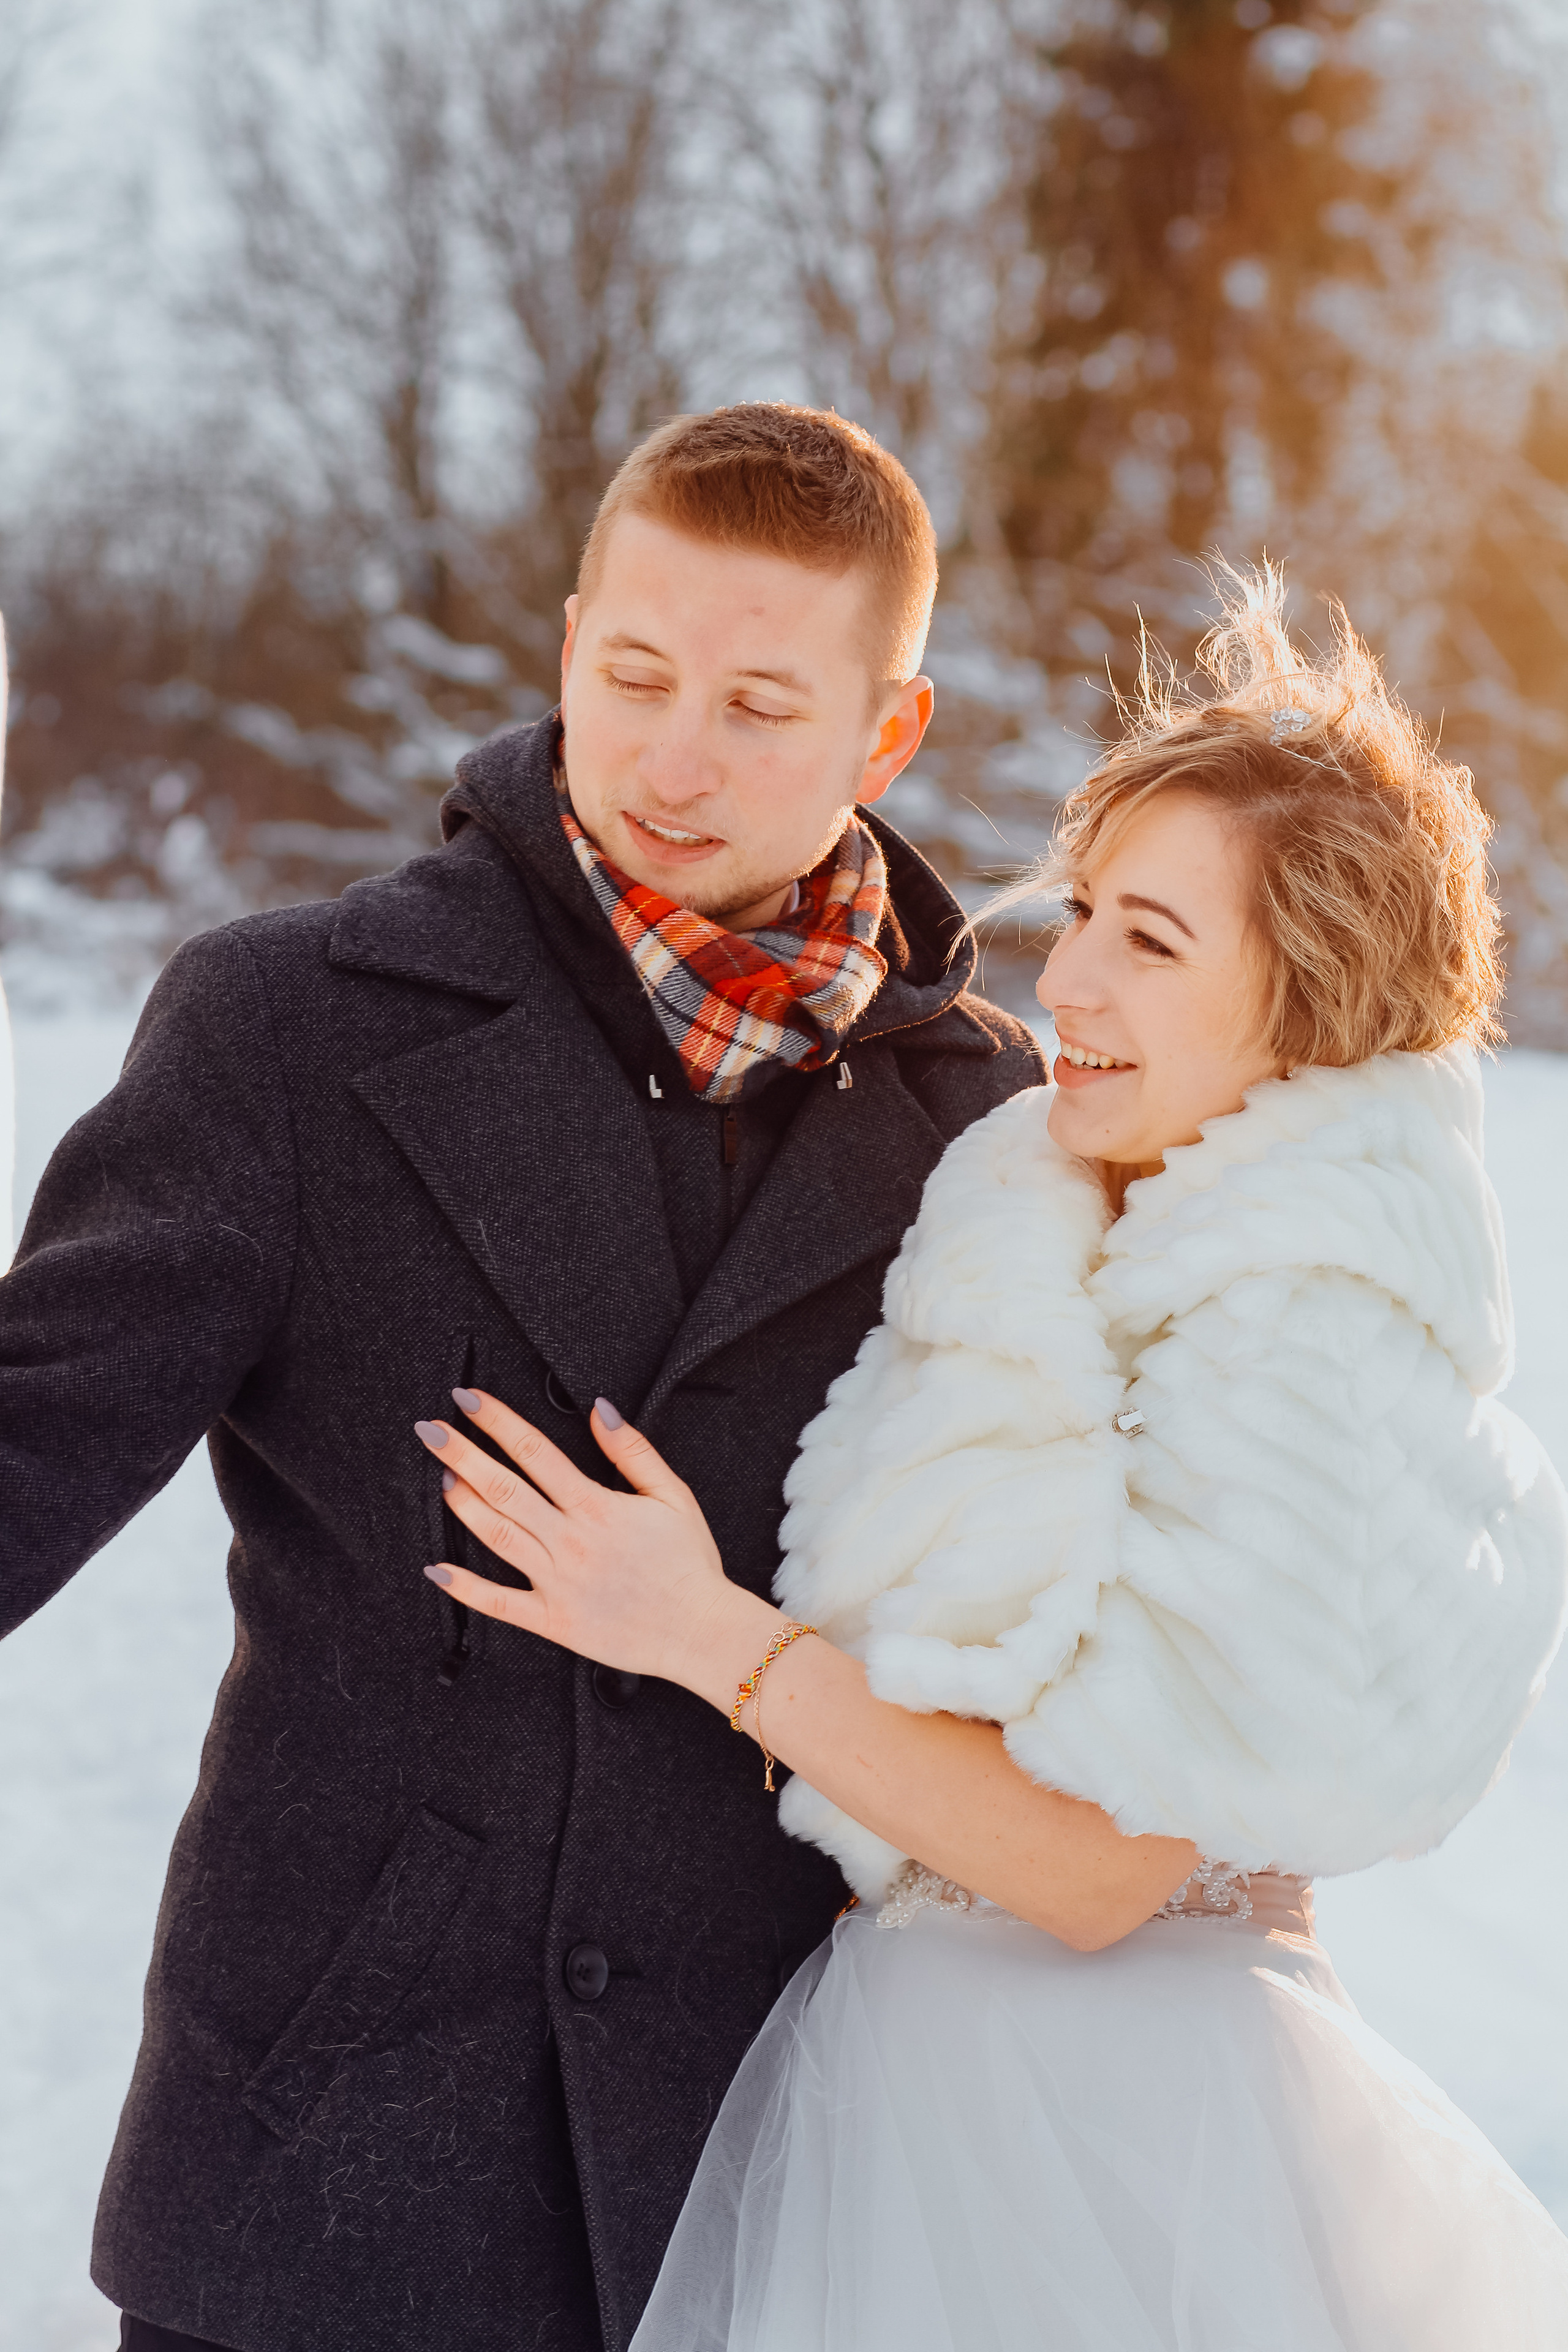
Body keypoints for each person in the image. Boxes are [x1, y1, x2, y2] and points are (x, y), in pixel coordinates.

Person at [413, 568, 1568, 2349]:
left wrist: (701, 1632)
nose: (1073, 975)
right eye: (1088, 908)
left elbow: (1102, 1871)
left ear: (1311, 1006)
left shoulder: (1304, 1323)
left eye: (1157, 942)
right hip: (927, 2071)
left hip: (1109, 2128)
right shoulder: (1062, 1231)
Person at [0, 405, 1046, 2352]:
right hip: (333, 2148)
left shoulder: (988, 1124)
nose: (673, 755)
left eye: (758, 702)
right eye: (635, 672)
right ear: (570, 637)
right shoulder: (293, 1030)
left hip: (778, 2166)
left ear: (888, 735)